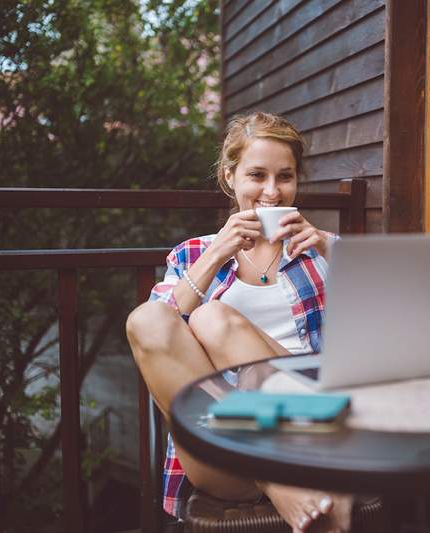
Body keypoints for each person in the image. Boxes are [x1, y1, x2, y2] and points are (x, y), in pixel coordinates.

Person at [126, 112, 353, 533]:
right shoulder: (192, 254)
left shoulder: (320, 250)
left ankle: (284, 475)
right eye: (256, 175)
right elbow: (158, 337)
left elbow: (379, 332)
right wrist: (216, 257)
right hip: (226, 449)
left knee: (213, 318)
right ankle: (275, 480)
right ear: (230, 177)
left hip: (308, 430)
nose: (272, 191)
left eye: (284, 176)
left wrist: (328, 249)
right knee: (147, 317)